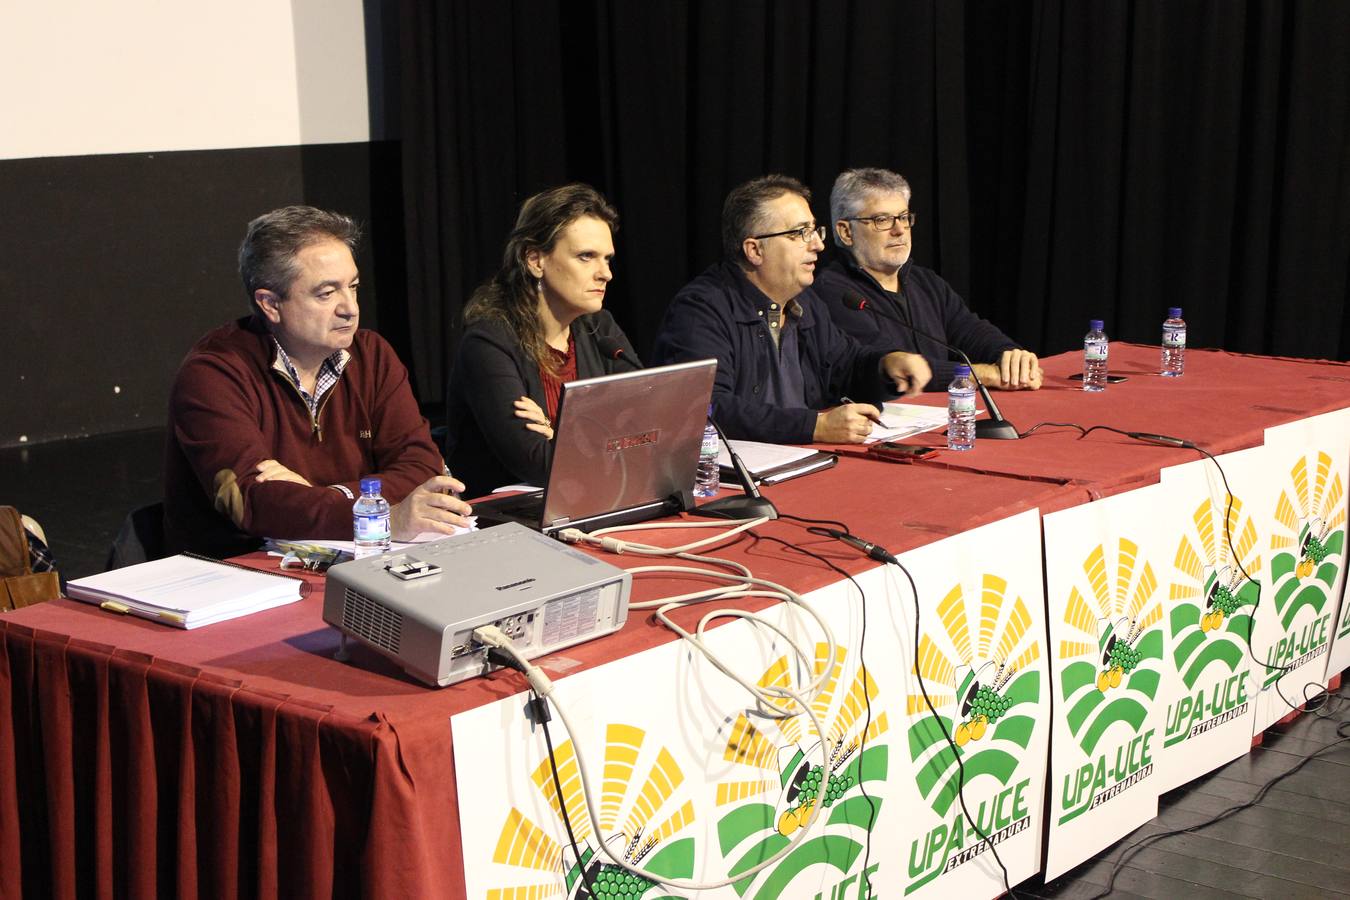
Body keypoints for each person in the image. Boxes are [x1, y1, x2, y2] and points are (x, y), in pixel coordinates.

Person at [164, 206, 472, 557]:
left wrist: (327, 497)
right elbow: (251, 501)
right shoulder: (214, 373)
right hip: (240, 571)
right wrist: (380, 513)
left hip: (353, 557)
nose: (350, 308)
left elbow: (421, 466)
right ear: (270, 304)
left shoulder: (372, 354)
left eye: (353, 287)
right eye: (326, 294)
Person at [652, 174, 931, 444]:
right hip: (735, 480)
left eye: (814, 231)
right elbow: (708, 408)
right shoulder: (701, 310)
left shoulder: (805, 303)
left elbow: (845, 366)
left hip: (804, 463)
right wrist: (815, 427)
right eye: (800, 233)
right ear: (755, 250)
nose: (818, 245)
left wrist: (886, 365)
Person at [445, 184, 641, 499]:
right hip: (506, 521)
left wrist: (557, 435)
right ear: (535, 259)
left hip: (593, 501)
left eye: (607, 259)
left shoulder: (599, 327)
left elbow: (646, 434)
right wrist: (595, 439)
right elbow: (535, 464)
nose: (605, 274)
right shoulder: (488, 342)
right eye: (586, 257)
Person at [816, 167, 1042, 391]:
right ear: (846, 232)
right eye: (882, 220)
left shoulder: (925, 282)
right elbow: (897, 366)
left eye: (903, 217)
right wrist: (984, 374)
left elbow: (971, 331)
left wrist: (1010, 356)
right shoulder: (834, 293)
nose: (899, 230)